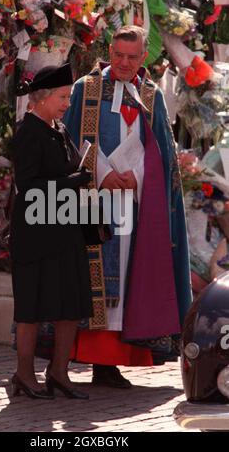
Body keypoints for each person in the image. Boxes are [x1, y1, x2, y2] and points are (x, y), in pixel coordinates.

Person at [64, 26, 192, 388]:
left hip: (135, 205)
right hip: (93, 202)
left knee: (127, 277)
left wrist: (137, 176)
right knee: (94, 278)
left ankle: (114, 359)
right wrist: (102, 174)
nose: (123, 63)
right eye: (118, 55)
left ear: (143, 57)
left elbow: (162, 152)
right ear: (109, 50)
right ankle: (89, 356)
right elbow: (71, 144)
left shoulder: (152, 96)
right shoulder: (84, 90)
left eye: (132, 57)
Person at [9, 63, 93, 399]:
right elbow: (27, 186)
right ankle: (24, 374)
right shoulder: (28, 132)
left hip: (65, 229)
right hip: (36, 233)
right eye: (62, 96)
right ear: (41, 99)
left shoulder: (58, 128)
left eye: (68, 96)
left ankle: (59, 372)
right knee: (31, 306)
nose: (68, 103)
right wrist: (71, 181)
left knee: (70, 304)